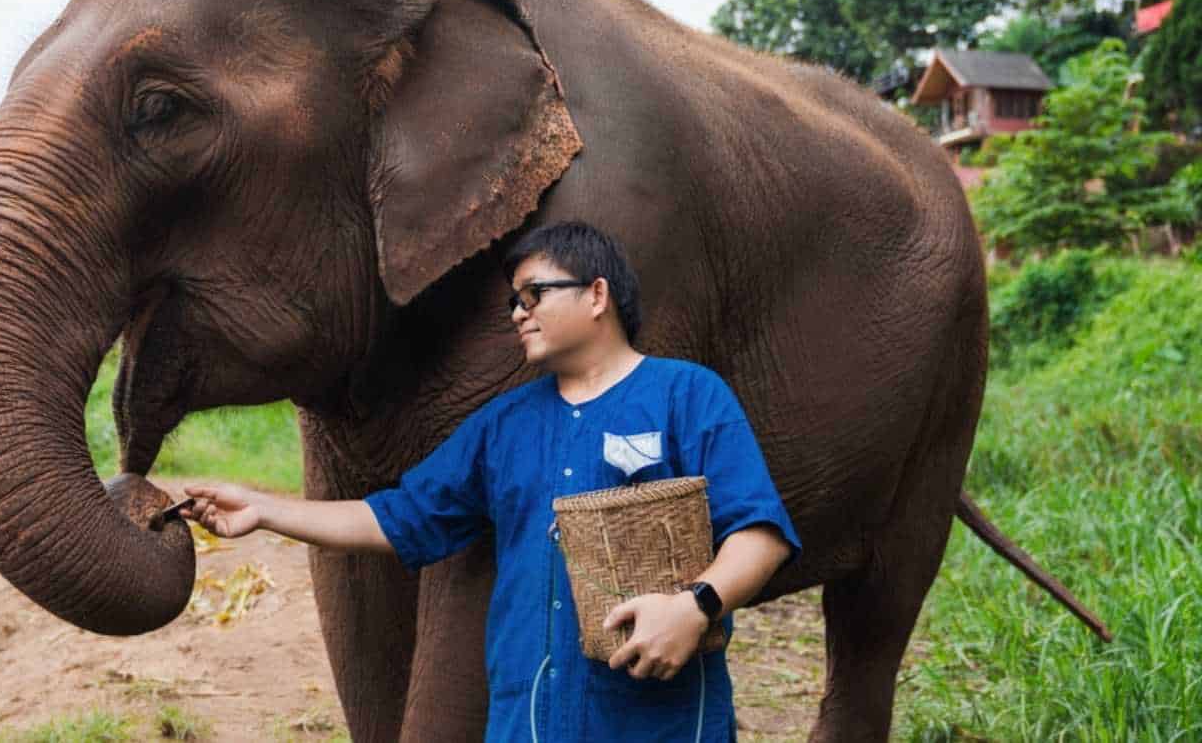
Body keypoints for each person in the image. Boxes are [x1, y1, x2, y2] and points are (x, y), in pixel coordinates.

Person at [181, 220, 801, 741]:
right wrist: (262, 509)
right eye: (512, 301)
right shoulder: (503, 427)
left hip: (661, 720)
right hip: (527, 721)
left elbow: (760, 533)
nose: (517, 313)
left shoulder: (686, 396)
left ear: (596, 295)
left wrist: (697, 607)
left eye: (533, 294)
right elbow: (393, 518)